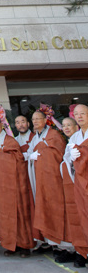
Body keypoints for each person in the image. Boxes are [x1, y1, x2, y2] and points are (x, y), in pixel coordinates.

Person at [0, 115, 34, 257]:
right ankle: (10, 244)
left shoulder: (10, 141)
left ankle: (23, 245)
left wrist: (0, 156)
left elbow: (18, 159)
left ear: (2, 125)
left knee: (18, 212)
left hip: (13, 183)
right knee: (3, 214)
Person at [26, 110, 66, 246]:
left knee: (54, 206)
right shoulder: (35, 137)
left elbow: (59, 153)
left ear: (45, 120)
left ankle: (61, 244)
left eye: (38, 119)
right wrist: (31, 156)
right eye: (33, 119)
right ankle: (48, 242)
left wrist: (41, 154)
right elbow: (31, 153)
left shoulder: (53, 135)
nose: (35, 121)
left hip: (52, 179)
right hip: (39, 177)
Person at [63, 104, 88, 268]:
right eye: (76, 114)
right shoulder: (74, 137)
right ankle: (83, 252)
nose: (79, 117)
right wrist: (71, 157)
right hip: (80, 183)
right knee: (82, 215)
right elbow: (66, 159)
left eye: (83, 114)